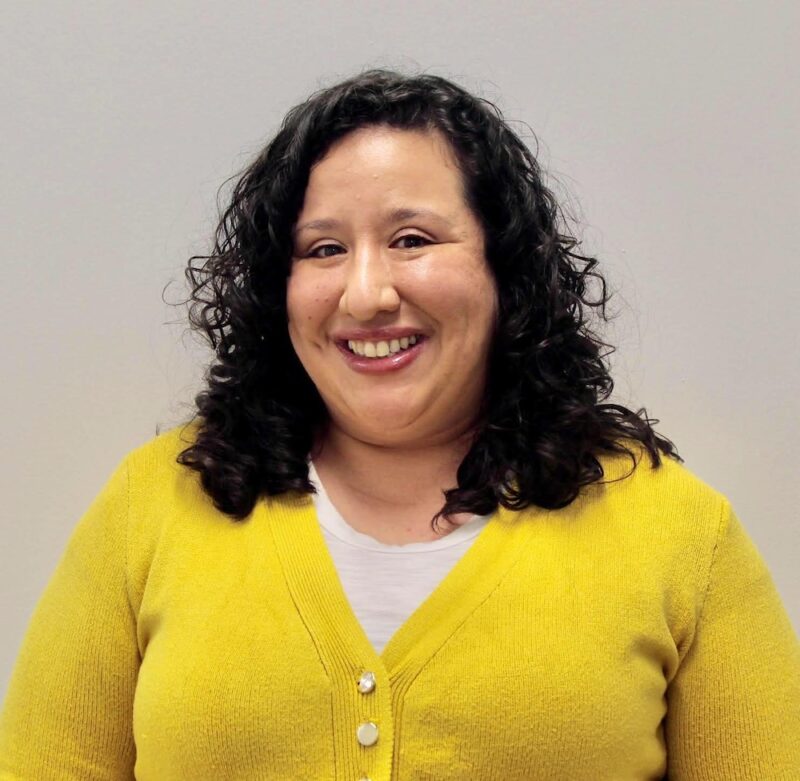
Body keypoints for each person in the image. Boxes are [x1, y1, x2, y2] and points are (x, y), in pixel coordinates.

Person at [1, 69, 798, 780]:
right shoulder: (152, 505)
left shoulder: (680, 532)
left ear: (503, 268)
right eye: (322, 249)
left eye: (412, 240)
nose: (366, 293)